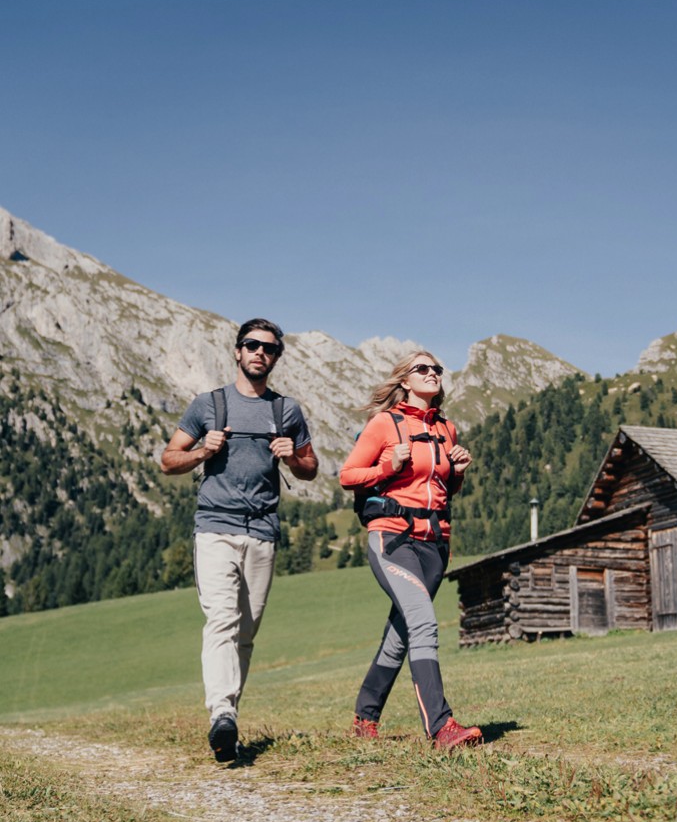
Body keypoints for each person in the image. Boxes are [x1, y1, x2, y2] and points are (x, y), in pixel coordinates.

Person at [160, 318, 318, 762]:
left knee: (245, 634)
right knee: (222, 621)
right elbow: (168, 461)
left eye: (268, 348)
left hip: (263, 532)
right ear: (237, 351)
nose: (259, 353)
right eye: (251, 345)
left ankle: (226, 724)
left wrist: (293, 457)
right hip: (214, 527)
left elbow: (311, 467)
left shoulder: (286, 410)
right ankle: (222, 714)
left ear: (276, 358)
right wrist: (201, 452)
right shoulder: (208, 404)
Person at [340, 351, 482, 749]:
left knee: (402, 634)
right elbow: (348, 475)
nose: (433, 374)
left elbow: (443, 490)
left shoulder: (448, 429)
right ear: (405, 380)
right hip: (392, 537)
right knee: (422, 622)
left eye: (437, 369)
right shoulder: (384, 424)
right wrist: (388, 466)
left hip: (435, 544)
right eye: (423, 368)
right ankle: (442, 728)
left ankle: (365, 716)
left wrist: (458, 472)